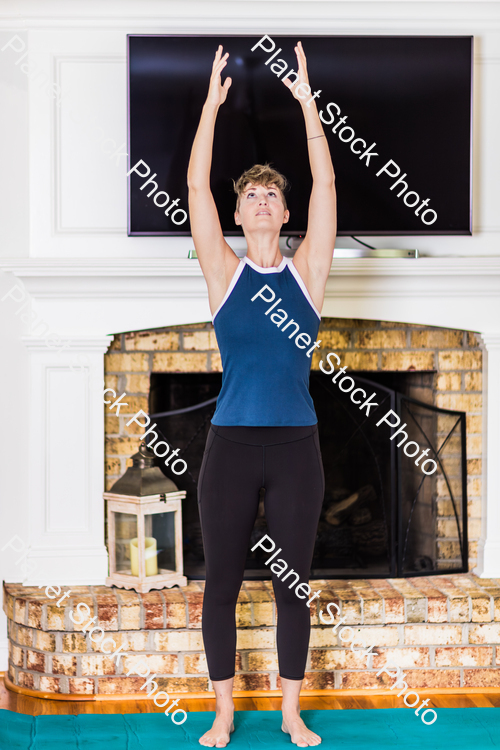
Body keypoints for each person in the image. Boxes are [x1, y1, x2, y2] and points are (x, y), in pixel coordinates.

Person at [187, 41, 336, 749]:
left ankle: (288, 711)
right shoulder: (225, 273)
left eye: (272, 193)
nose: (264, 199)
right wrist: (211, 109)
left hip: (297, 448)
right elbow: (193, 192)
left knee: (291, 587)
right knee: (220, 584)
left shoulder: (308, 273)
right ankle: (222, 713)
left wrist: (309, 107)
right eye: (251, 194)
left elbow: (327, 191)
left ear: (283, 215)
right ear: (240, 218)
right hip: (232, 446)